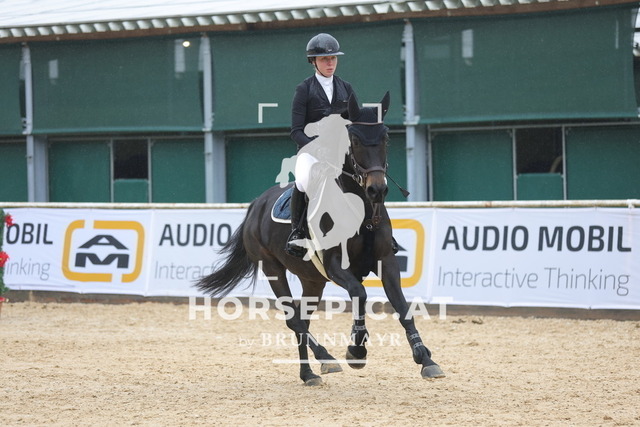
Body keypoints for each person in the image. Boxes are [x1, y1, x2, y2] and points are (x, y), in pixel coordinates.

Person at [285, 33, 355, 257]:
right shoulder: (304, 89)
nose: (330, 63)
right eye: (325, 59)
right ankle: (297, 231)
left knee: (368, 177)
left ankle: (377, 227)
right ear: (313, 61)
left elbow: (355, 123)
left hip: (340, 153)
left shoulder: (346, 88)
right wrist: (316, 149)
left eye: (333, 58)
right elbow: (296, 131)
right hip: (311, 153)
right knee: (303, 180)